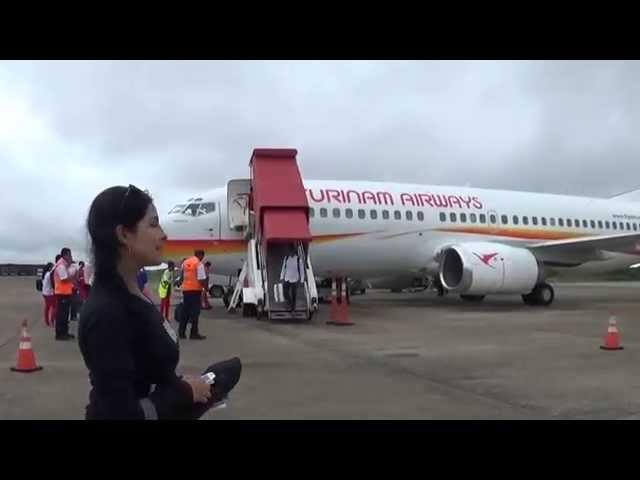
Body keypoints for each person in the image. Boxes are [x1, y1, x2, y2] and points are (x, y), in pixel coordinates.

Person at [78, 184, 212, 419]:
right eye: (153, 223)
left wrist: (181, 384)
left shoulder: (135, 295)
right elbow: (120, 413)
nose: (163, 234)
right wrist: (185, 393)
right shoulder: (106, 314)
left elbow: (145, 373)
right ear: (124, 235)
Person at [179, 250, 207, 340]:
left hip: (186, 290)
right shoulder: (199, 264)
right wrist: (205, 288)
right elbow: (201, 279)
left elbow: (182, 276)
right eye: (203, 256)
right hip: (195, 291)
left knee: (185, 312)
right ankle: (193, 334)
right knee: (195, 313)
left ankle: (181, 333)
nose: (203, 258)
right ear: (200, 255)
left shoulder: (185, 262)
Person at [53, 247, 76, 340]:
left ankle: (64, 332)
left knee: (65, 314)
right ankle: (60, 334)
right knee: (62, 314)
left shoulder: (65, 265)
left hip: (65, 292)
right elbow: (64, 279)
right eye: (69, 254)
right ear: (65, 255)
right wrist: (73, 276)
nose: (71, 257)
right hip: (62, 293)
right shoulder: (61, 265)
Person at [280, 243, 305, 312]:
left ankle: (293, 308)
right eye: (289, 251)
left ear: (294, 251)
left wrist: (302, 280)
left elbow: (302, 270)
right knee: (285, 293)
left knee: (294, 294)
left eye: (291, 251)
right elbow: (283, 268)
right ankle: (289, 302)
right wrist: (282, 277)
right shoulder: (286, 258)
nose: (290, 252)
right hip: (287, 278)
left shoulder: (298, 260)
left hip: (295, 279)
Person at [41, 263, 56, 327]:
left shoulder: (45, 274)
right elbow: (53, 284)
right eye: (52, 267)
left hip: (44, 293)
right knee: (54, 307)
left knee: (47, 307)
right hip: (49, 293)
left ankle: (47, 321)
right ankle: (52, 320)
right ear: (50, 268)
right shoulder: (49, 274)